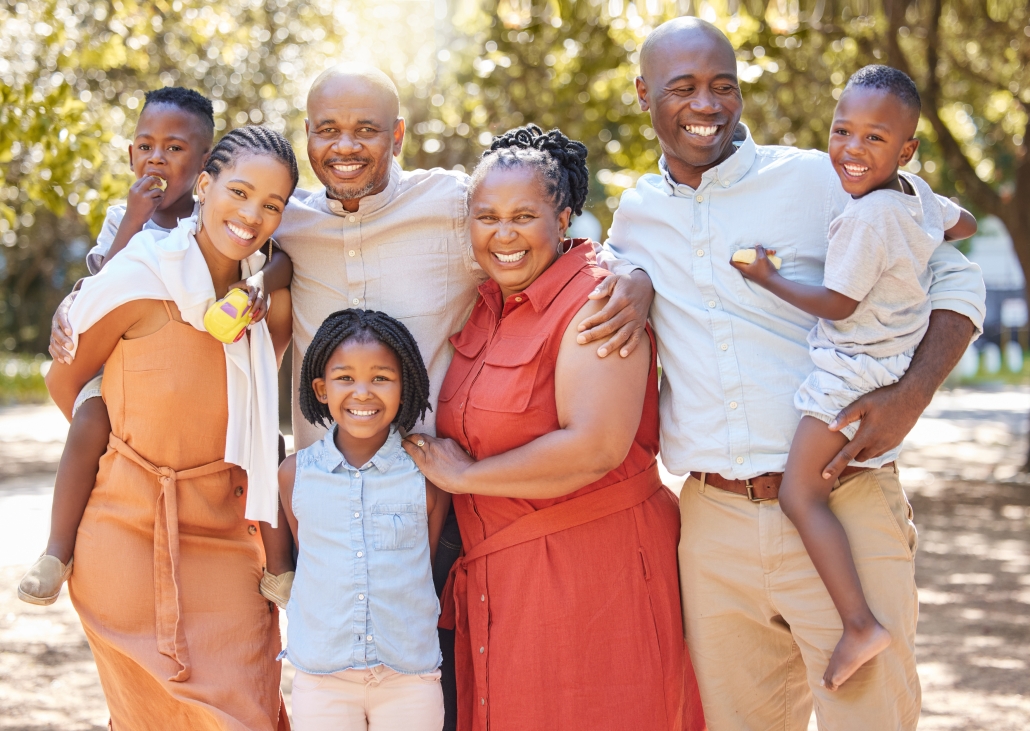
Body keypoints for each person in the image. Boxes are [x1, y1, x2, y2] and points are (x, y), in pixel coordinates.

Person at [602, 18, 986, 731]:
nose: (706, 105)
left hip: (844, 499)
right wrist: (636, 276)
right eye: (682, 88)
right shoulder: (637, 214)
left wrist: (909, 397)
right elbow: (610, 269)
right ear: (643, 94)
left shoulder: (820, 179)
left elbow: (958, 281)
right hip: (711, 522)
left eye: (723, 87)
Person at [403, 125, 705, 731]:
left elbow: (594, 446)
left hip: (592, 573)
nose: (503, 233)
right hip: (504, 578)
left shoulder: (598, 300)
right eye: (486, 216)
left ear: (563, 217)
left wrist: (468, 477)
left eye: (523, 215)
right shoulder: (486, 303)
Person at [731, 65, 978, 692]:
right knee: (810, 488)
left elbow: (838, 304)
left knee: (799, 493)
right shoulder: (915, 196)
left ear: (906, 147)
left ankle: (859, 623)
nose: (851, 149)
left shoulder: (867, 218)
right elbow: (965, 223)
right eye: (843, 131)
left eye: (875, 138)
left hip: (852, 371)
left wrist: (768, 277)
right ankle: (859, 619)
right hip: (892, 356)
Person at [43, 126, 296, 730]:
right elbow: (66, 379)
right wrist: (124, 445)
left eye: (272, 205)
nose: (251, 214)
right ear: (204, 186)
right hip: (126, 532)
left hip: (229, 538)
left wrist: (266, 283)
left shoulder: (264, 301)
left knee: (248, 713)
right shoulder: (138, 277)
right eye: (238, 192)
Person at [26, 88, 290, 606]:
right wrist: (132, 216)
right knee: (91, 420)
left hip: (208, 363)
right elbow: (109, 280)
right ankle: (57, 550)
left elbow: (280, 261)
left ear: (204, 163)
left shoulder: (229, 216)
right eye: (145, 146)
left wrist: (258, 287)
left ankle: (281, 568)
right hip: (119, 364)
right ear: (129, 155)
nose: (156, 158)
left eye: (173, 149)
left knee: (267, 438)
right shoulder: (124, 218)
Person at [275, 309, 449, 731]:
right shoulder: (296, 474)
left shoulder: (427, 472)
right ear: (320, 388)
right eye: (345, 378)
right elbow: (307, 550)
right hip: (323, 677)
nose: (363, 393)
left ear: (404, 385)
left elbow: (425, 558)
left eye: (381, 378)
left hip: (409, 675)